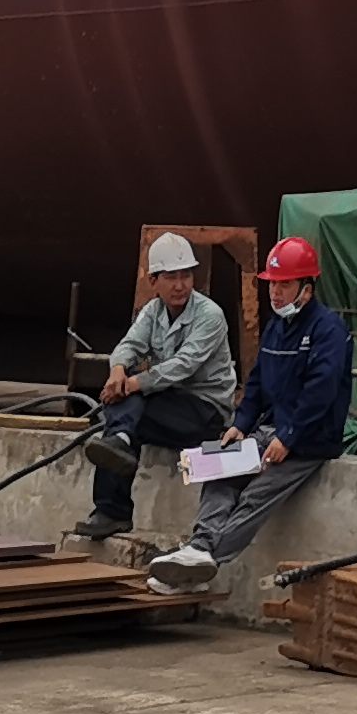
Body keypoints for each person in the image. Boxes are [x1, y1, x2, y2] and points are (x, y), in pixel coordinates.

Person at [148, 235, 351, 593]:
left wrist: (288, 437)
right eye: (272, 284)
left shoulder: (328, 331)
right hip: (267, 430)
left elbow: (319, 393)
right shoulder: (277, 327)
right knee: (218, 470)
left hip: (309, 442)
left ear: (307, 288)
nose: (276, 293)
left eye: (284, 285)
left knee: (255, 496)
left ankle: (201, 560)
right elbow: (257, 382)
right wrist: (240, 424)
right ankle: (197, 550)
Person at [77, 231, 239, 541]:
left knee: (126, 410)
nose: (180, 285)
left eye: (185, 276)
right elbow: (130, 345)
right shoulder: (152, 312)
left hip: (204, 411)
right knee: (121, 412)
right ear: (154, 281)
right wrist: (117, 371)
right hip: (169, 403)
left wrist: (132, 383)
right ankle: (119, 451)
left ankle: (112, 508)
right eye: (171, 277)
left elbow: (184, 365)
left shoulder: (210, 315)